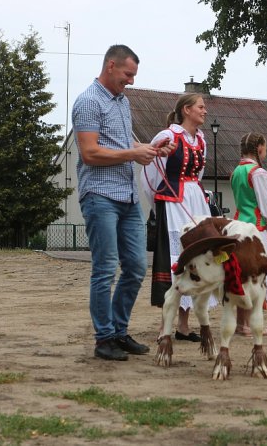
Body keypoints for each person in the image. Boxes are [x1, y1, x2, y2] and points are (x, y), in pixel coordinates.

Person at [71, 44, 174, 361]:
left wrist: (151, 150)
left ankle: (117, 331)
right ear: (111, 65)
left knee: (135, 268)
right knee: (104, 270)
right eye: (128, 74)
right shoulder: (88, 102)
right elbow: (90, 153)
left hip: (128, 197)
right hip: (100, 196)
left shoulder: (122, 102)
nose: (130, 81)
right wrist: (133, 154)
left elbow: (123, 143)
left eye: (133, 75)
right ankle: (104, 339)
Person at [141, 93, 217, 341]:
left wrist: (196, 194)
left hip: (195, 200)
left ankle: (184, 327)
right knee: (173, 259)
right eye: (201, 107)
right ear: (186, 110)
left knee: (195, 259)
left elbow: (199, 172)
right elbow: (150, 171)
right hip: (173, 202)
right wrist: (158, 201)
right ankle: (165, 326)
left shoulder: (201, 140)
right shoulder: (168, 136)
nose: (205, 111)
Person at [230, 132, 267, 337]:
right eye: (265, 148)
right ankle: (253, 324)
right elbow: (266, 204)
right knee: (257, 275)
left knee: (242, 274)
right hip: (255, 229)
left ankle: (242, 324)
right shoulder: (258, 173)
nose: (265, 152)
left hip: (238, 225)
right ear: (258, 148)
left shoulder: (237, 171)